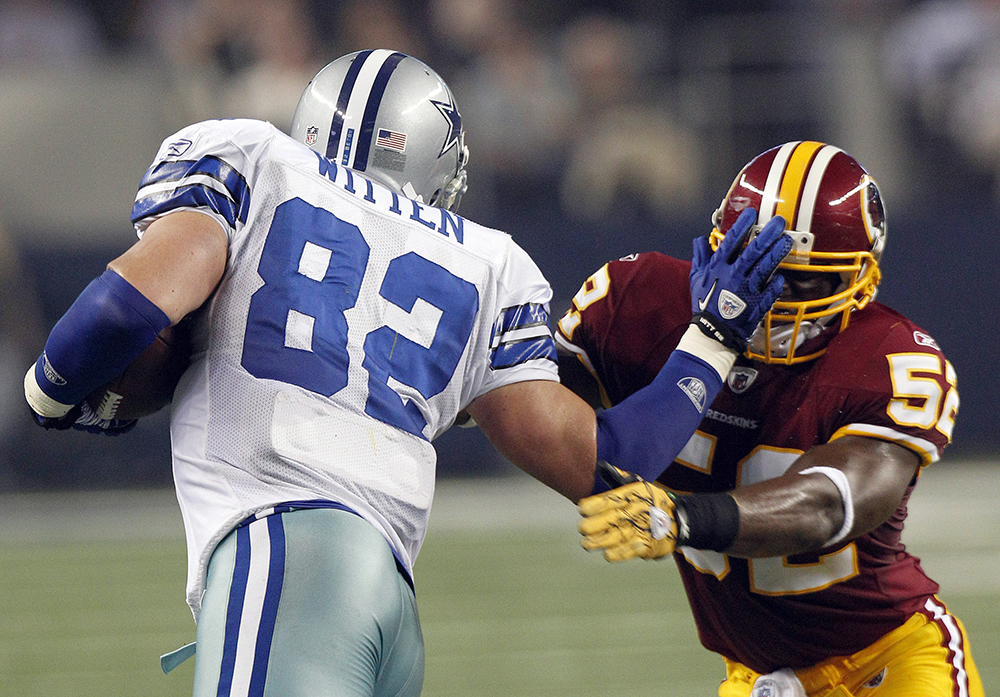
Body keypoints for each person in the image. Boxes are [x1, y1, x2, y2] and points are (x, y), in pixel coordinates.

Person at [22, 49, 791, 697]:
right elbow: (611, 461)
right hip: (390, 596)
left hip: (288, 549)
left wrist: (50, 392)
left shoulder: (251, 157)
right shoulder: (491, 262)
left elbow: (125, 310)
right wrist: (714, 340)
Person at [561, 140, 984, 697]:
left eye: (801, 278)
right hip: (752, 675)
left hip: (885, 663)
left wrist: (681, 519)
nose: (773, 294)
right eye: (754, 266)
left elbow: (830, 501)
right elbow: (533, 400)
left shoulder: (889, 358)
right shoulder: (639, 301)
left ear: (856, 278)